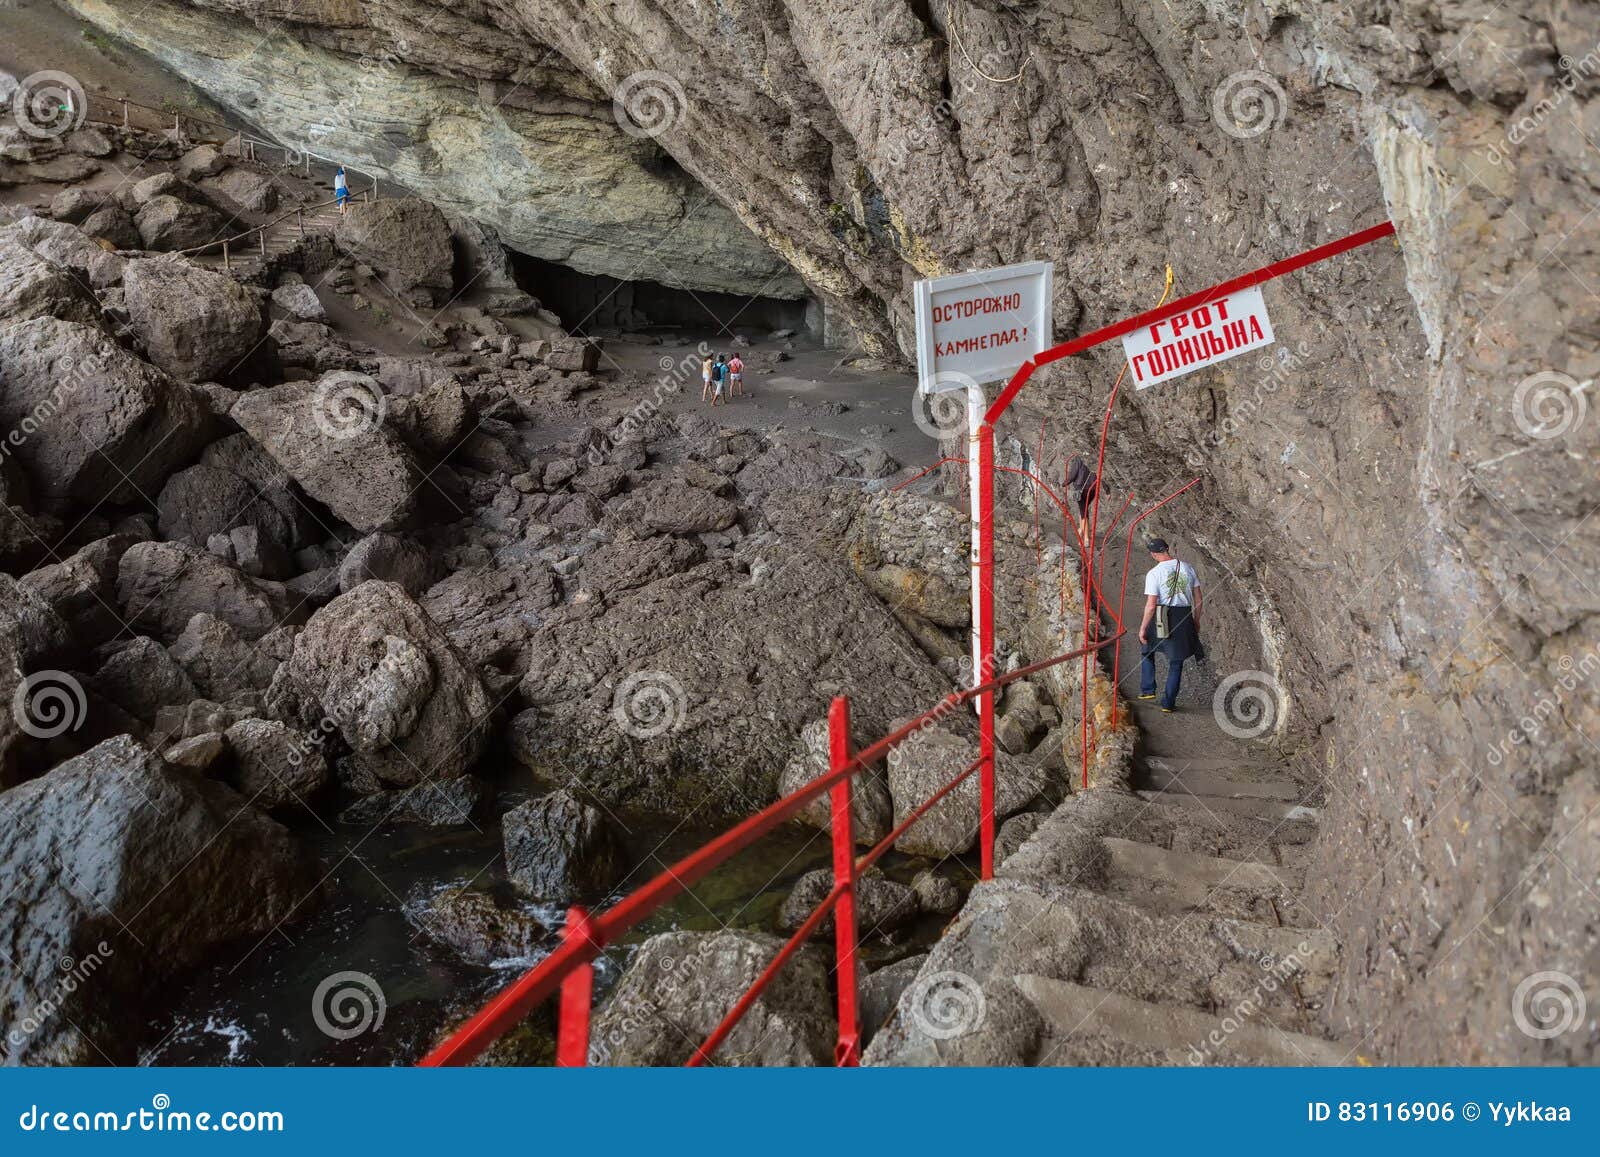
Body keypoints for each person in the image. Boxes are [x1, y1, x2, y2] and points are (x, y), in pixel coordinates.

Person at [1137, 538, 1202, 712]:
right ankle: (1168, 704)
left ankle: (1148, 689)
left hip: (1162, 614)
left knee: (1146, 647)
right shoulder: (1188, 568)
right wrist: (1196, 621)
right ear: (1167, 549)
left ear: (1153, 554)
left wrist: (1143, 628)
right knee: (1176, 661)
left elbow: (1151, 605)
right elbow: (1198, 599)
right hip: (1185, 615)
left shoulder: (1154, 573)